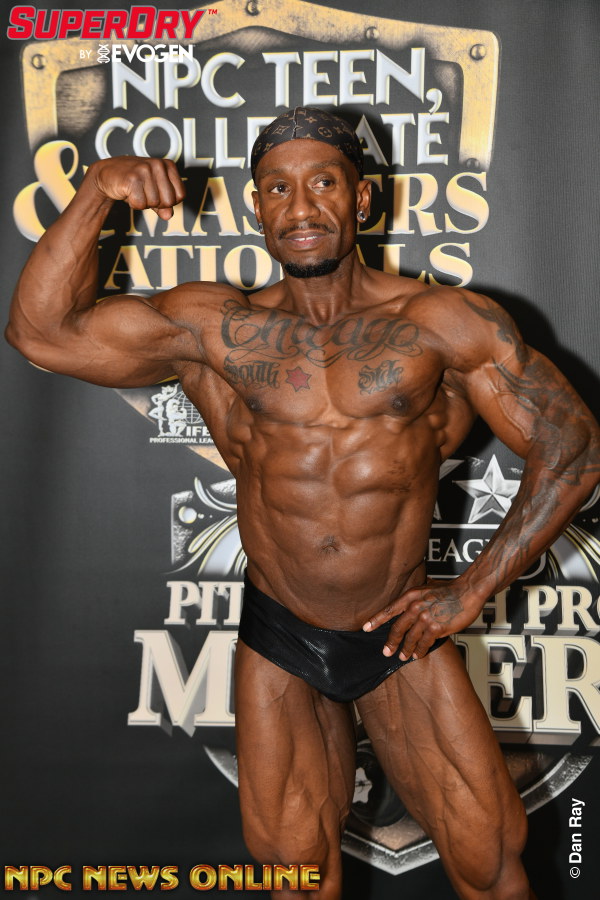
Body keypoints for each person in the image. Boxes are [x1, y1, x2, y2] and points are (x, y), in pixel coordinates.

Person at [6, 106, 599, 900]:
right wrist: (97, 191)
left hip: (398, 629)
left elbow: (573, 448)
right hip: (280, 630)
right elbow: (42, 333)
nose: (301, 206)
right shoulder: (216, 327)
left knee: (490, 866)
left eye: (323, 183)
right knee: (296, 880)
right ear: (257, 207)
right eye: (278, 189)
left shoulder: (439, 323)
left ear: (362, 198)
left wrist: (471, 590)